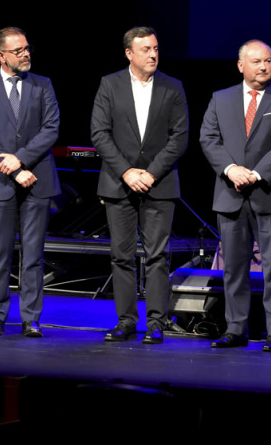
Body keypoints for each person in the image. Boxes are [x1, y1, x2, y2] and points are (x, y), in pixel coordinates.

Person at [200, 40, 271, 352]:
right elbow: (208, 138)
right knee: (233, 266)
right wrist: (231, 169)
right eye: (257, 61)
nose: (263, 67)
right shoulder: (221, 99)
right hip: (231, 193)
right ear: (240, 65)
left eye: (268, 61)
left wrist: (256, 174)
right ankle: (235, 329)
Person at [90, 26, 189, 344]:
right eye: (145, 49)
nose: (153, 54)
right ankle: (126, 321)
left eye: (156, 48)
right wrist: (127, 172)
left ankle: (157, 322)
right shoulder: (110, 84)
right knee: (121, 255)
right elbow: (99, 133)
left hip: (158, 184)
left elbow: (179, 137)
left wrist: (151, 173)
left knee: (157, 255)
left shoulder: (173, 87)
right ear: (129, 53)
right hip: (119, 184)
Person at [0, 27, 61, 337]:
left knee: (33, 255)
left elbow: (51, 129)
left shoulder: (43, 85)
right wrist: (12, 169)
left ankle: (30, 318)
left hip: (37, 178)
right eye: (18, 50)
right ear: (1, 55)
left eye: (27, 48)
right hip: (1, 181)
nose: (26, 54)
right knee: (0, 253)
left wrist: (20, 159)